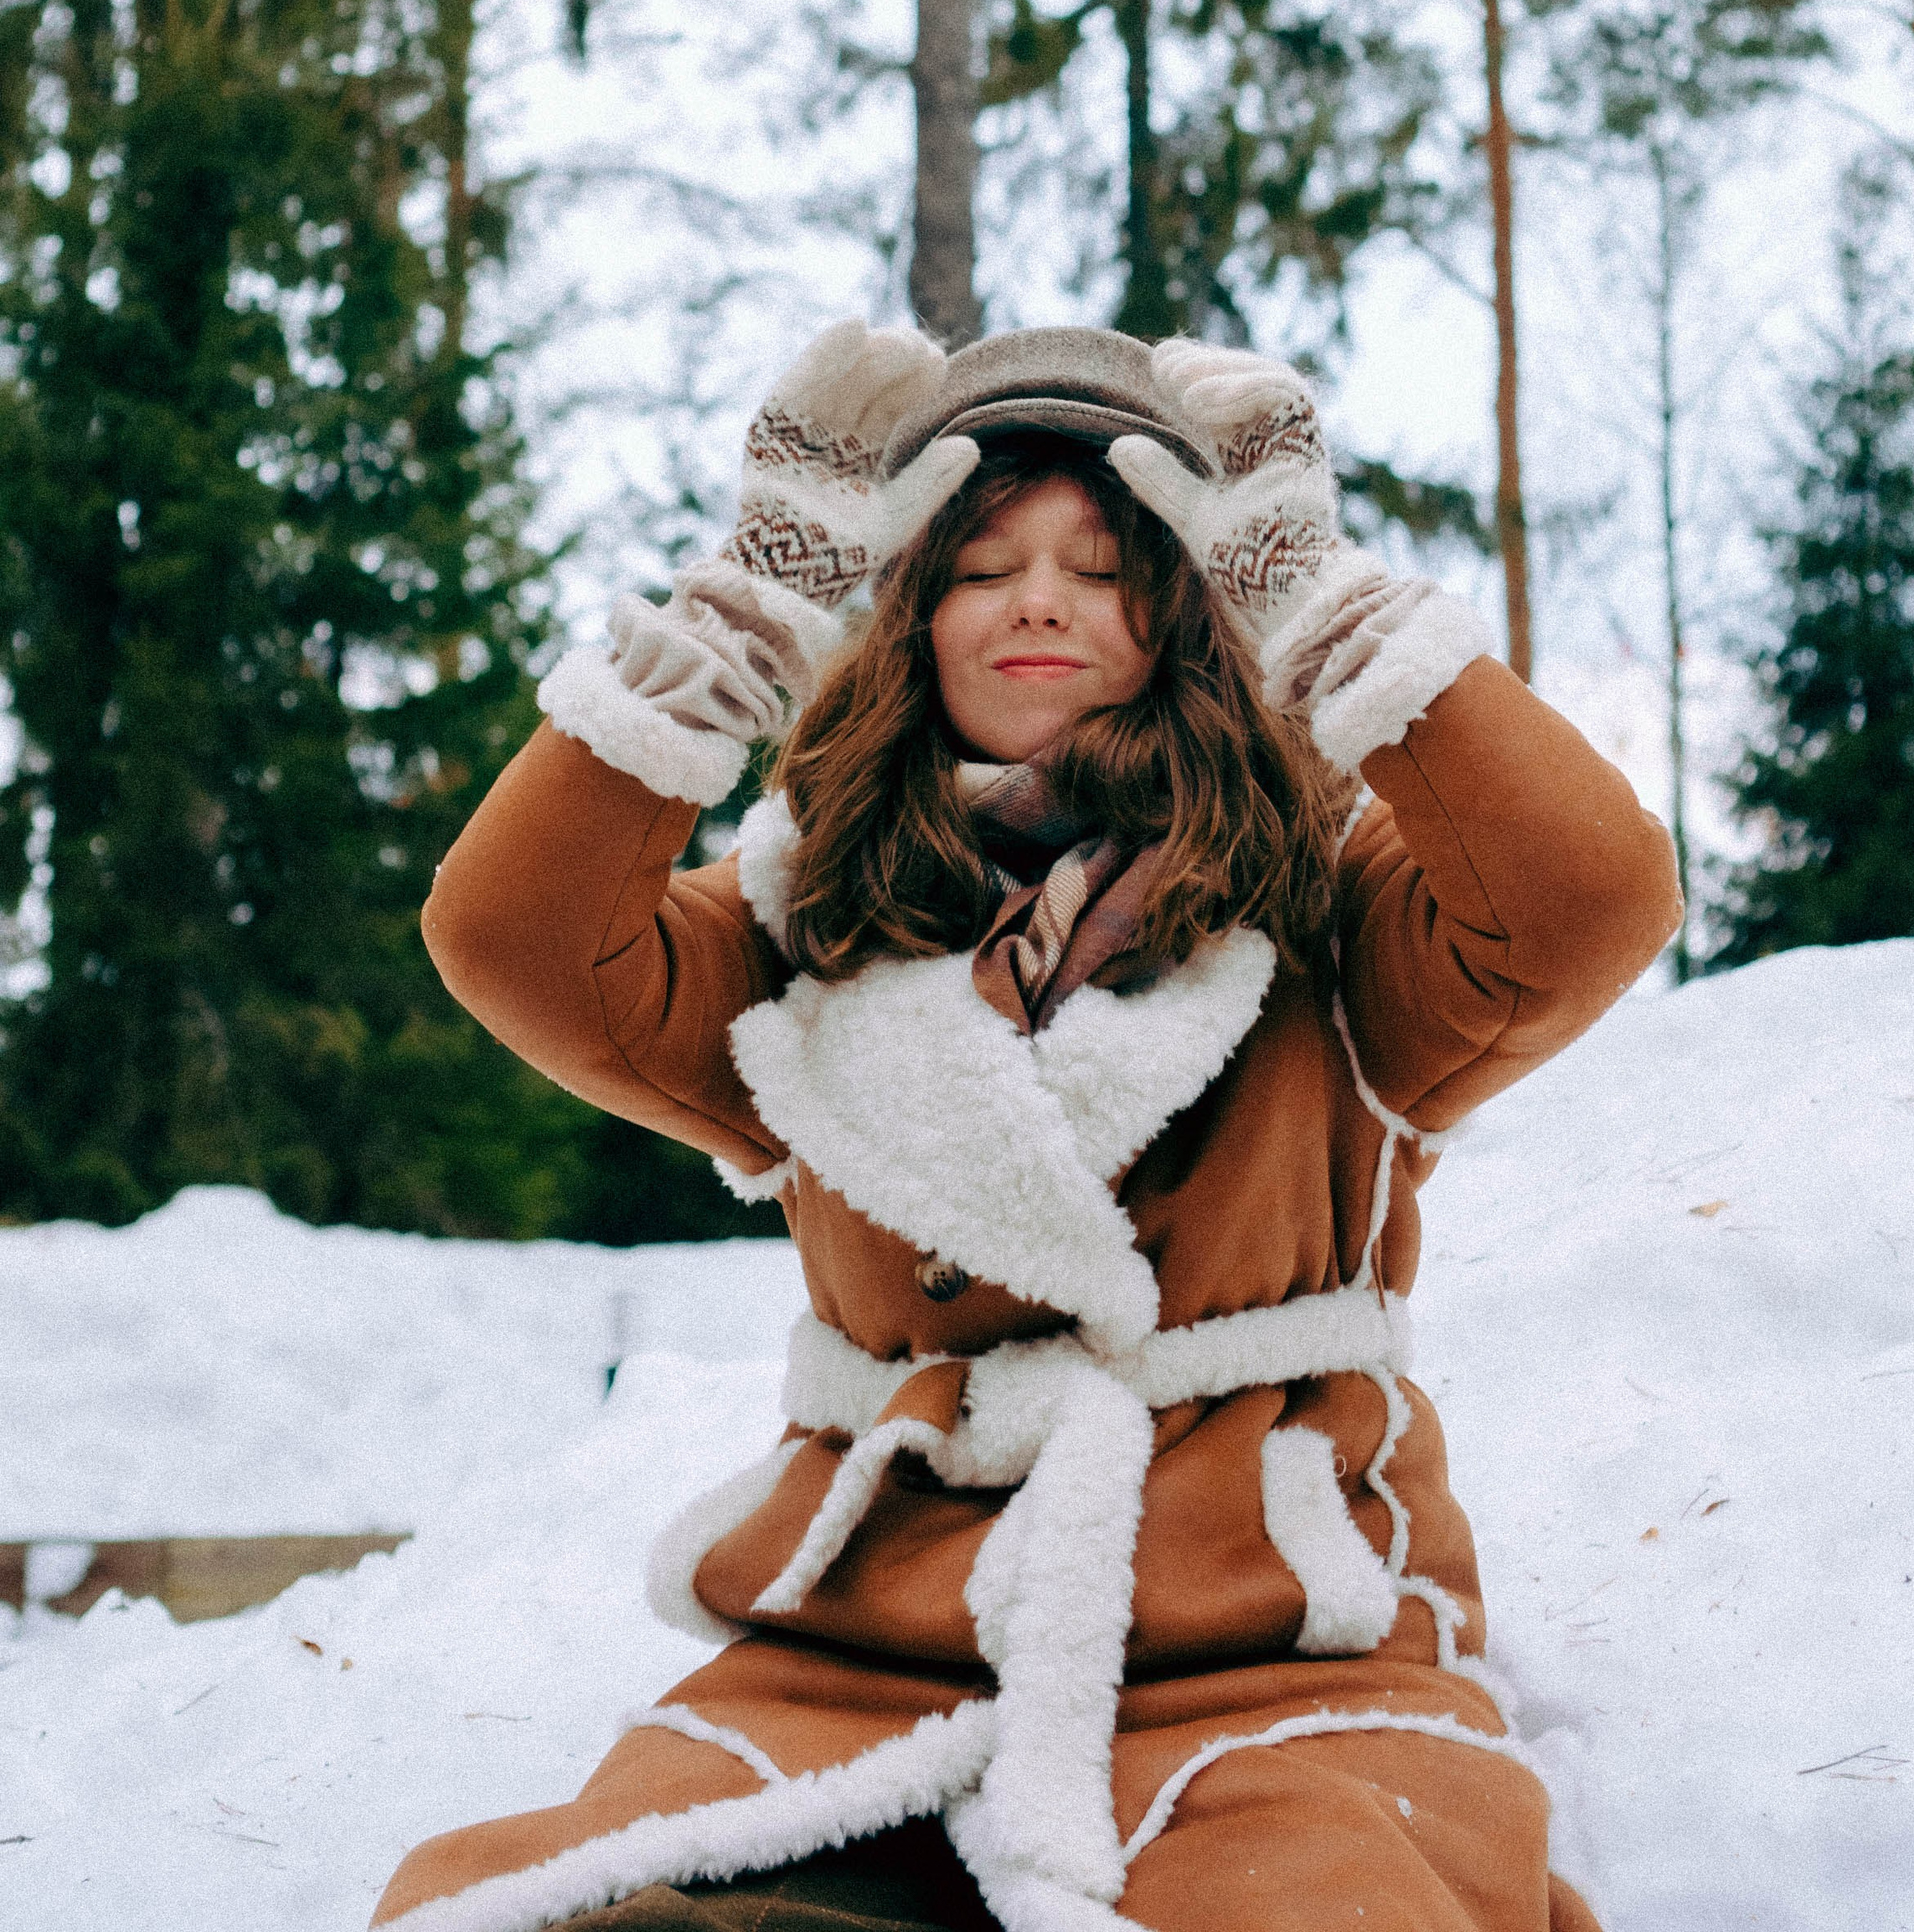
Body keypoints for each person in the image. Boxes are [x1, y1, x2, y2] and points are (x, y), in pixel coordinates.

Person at [371, 323, 1680, 1932]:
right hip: (863, 1659)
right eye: (982, 567)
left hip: (1274, 1660)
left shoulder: (1333, 917)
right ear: (911, 620)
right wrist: (754, 606)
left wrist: (1317, 598)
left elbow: (1595, 900)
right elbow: (511, 940)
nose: (1041, 600)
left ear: (1192, 617)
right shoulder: (806, 930)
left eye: (1106, 569)